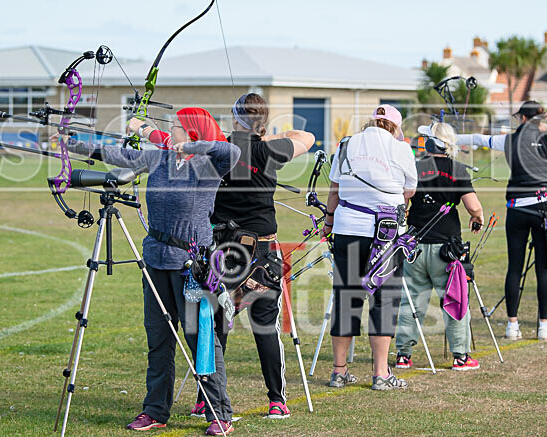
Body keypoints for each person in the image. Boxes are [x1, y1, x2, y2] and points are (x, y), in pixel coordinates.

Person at [74, 108, 240, 435]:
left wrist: (192, 148)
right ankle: (155, 410)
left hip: (192, 267)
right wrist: (75, 146)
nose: (171, 130)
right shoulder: (158, 159)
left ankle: (219, 413)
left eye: (177, 126)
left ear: (192, 132)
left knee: (201, 340)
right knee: (159, 340)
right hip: (156, 260)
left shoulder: (209, 166)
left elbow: (231, 150)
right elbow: (117, 154)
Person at [196, 93, 314, 419]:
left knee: (215, 322)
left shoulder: (219, 148)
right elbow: (307, 138)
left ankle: (206, 397)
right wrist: (264, 136)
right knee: (264, 326)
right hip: (261, 250)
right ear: (263, 122)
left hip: (222, 250)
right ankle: (277, 400)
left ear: (236, 119)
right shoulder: (268, 149)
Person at [457, 101, 547, 341]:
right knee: (544, 268)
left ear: (522, 119)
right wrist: (545, 127)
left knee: (514, 268)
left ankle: (512, 326)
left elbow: (476, 138)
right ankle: (543, 326)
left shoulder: (508, 140)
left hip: (517, 208)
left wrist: (449, 137)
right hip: (543, 207)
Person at [322, 104, 417, 390]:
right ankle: (381, 373)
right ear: (395, 127)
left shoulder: (347, 144)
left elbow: (335, 188)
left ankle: (339, 371)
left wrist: (328, 222)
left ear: (371, 122)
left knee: (347, 298)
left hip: (348, 228)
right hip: (387, 234)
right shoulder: (401, 148)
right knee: (384, 301)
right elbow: (409, 189)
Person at [394, 121, 483, 371]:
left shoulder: (414, 166)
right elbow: (473, 206)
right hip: (446, 249)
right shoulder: (457, 169)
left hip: (416, 246)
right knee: (454, 299)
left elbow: (403, 199)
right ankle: (460, 356)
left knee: (411, 300)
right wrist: (478, 219)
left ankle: (403, 354)